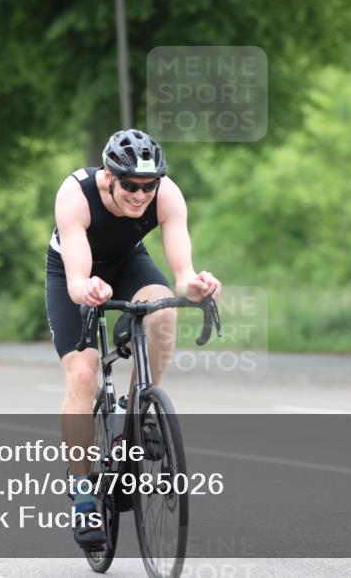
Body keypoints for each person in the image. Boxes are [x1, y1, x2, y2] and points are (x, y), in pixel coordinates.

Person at [45, 129, 222, 549]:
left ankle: (140, 414)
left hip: (128, 263)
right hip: (73, 272)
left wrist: (195, 286)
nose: (140, 195)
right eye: (130, 185)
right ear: (109, 176)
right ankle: (83, 489)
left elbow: (182, 275)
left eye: (148, 185)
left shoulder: (168, 195)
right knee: (84, 377)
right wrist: (87, 289)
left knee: (161, 310)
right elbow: (76, 279)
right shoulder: (75, 195)